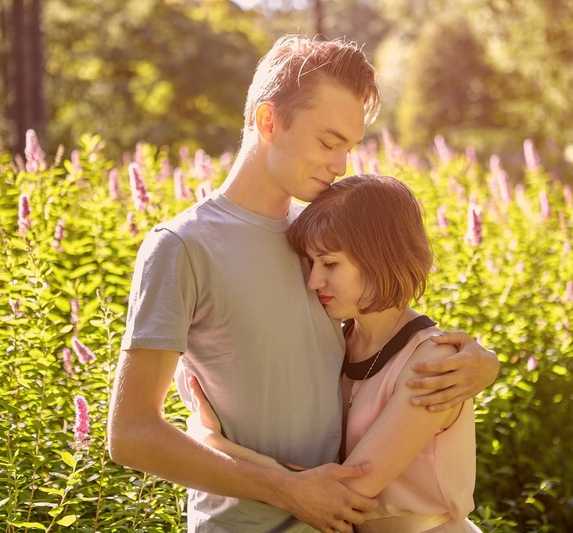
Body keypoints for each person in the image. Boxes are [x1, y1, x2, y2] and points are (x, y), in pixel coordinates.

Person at [107, 34, 499, 533]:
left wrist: (481, 364)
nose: (340, 165)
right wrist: (285, 489)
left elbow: (392, 337)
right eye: (329, 141)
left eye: (350, 147)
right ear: (269, 121)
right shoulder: (183, 247)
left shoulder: (324, 238)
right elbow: (131, 433)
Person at [188, 175, 483, 533]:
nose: (314, 282)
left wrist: (214, 445)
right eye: (311, 264)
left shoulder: (432, 363)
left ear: (381, 257)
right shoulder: (335, 343)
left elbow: (342, 494)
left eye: (330, 264)